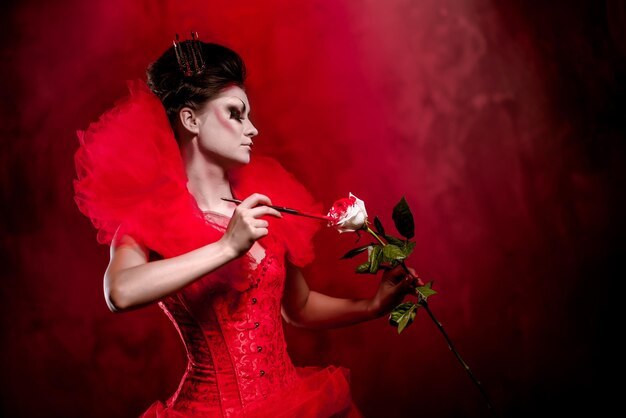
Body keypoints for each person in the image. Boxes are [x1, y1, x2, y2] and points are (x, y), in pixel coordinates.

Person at [74, 35, 416, 418]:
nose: (252, 129)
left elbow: (298, 307)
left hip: (295, 402)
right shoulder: (151, 218)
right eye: (236, 114)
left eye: (248, 115)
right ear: (191, 119)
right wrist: (226, 248)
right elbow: (118, 292)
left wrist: (372, 305)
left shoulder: (263, 197)